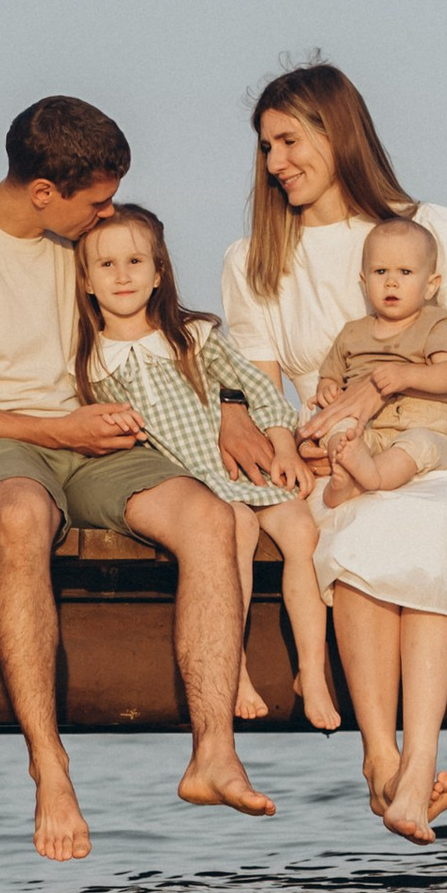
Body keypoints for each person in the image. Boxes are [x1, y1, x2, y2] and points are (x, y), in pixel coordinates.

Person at [0, 96, 274, 860]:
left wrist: (231, 404)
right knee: (27, 516)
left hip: (92, 439)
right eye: (96, 200)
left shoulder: (83, 244)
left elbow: (178, 328)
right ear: (42, 193)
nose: (109, 214)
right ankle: (51, 765)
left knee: (208, 517)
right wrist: (51, 429)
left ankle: (214, 752)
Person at [219, 61, 447, 848]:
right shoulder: (254, 261)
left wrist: (388, 381)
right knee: (364, 536)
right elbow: (266, 406)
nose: (275, 163)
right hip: (342, 471)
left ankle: (419, 757)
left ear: (338, 132)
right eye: (265, 147)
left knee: (420, 523)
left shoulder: (425, 225)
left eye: (289, 140)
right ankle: (381, 760)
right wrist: (295, 447)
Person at [76, 204, 344, 736]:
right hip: (195, 486)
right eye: (106, 265)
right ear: (85, 281)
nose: (123, 275)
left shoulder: (192, 337)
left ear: (159, 273)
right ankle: (234, 667)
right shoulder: (90, 363)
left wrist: (283, 444)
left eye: (135, 261)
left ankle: (310, 672)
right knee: (236, 533)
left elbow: (257, 391)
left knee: (300, 532)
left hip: (244, 469)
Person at [308, 219, 447, 507]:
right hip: (365, 428)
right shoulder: (352, 332)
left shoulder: (435, 323)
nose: (391, 282)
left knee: (418, 446)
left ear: (431, 285)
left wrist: (407, 375)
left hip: (422, 425)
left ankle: (371, 478)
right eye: (380, 271)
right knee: (339, 430)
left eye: (405, 272)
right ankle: (348, 469)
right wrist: (327, 389)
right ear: (364, 280)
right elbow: (329, 376)